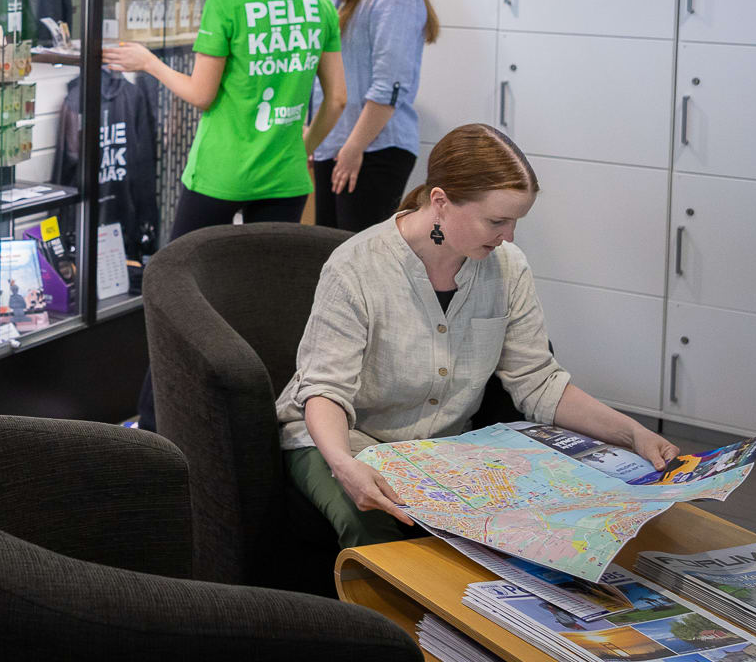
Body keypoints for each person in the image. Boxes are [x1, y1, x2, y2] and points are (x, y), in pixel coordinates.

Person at [276, 124, 678, 549]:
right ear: (440, 203)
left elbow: (538, 381)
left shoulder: (507, 266)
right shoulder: (356, 267)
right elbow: (325, 391)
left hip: (437, 452)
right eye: (497, 221)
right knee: (374, 529)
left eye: (515, 221)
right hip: (334, 438)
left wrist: (632, 433)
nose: (508, 236)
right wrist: (342, 464)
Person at [106, 0, 345, 435]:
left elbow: (202, 94)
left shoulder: (228, 6)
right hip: (283, 174)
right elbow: (337, 99)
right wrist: (300, 149)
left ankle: (152, 419)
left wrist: (148, 63)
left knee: (171, 295)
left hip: (218, 172)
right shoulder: (318, 5)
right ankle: (259, 423)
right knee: (267, 300)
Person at [309, 0, 439, 231]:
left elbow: (388, 88)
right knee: (327, 260)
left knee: (358, 266)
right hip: (339, 146)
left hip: (372, 151)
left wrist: (353, 149)